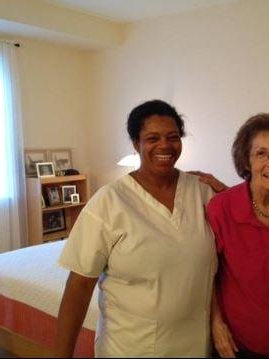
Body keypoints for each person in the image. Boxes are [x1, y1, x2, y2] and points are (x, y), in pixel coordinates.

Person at [55, 100, 218, 357]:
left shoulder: (202, 192)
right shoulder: (109, 201)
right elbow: (79, 287)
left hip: (196, 345)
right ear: (136, 143)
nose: (164, 145)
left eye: (172, 137)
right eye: (152, 138)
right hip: (131, 347)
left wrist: (229, 191)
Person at [206, 113, 269, 358]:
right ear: (246, 161)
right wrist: (215, 323)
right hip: (234, 343)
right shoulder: (221, 207)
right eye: (261, 153)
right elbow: (205, 274)